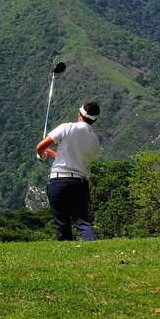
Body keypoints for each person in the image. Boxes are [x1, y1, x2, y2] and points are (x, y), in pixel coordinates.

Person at [36, 100, 102, 241]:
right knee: (83, 221)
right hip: (80, 183)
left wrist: (42, 154)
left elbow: (39, 147)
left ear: (80, 114)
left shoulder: (67, 127)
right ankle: (95, 246)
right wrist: (49, 152)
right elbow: (73, 157)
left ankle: (67, 255)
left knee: (62, 222)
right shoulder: (95, 140)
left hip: (59, 181)